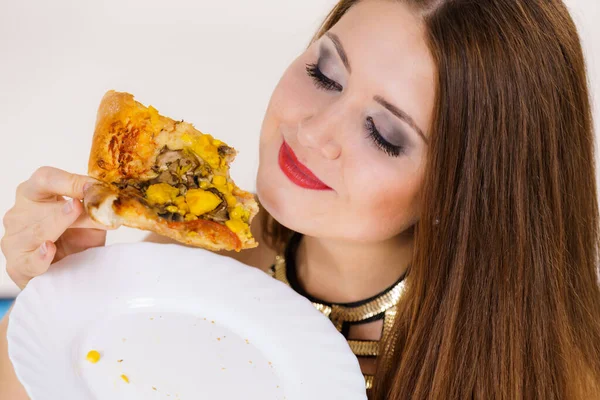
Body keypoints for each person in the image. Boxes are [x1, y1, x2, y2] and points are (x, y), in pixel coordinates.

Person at [2, 0, 600, 398]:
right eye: (324, 74)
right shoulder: (187, 265)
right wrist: (57, 298)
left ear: (475, 190)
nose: (313, 133)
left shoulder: (538, 375)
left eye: (384, 134)